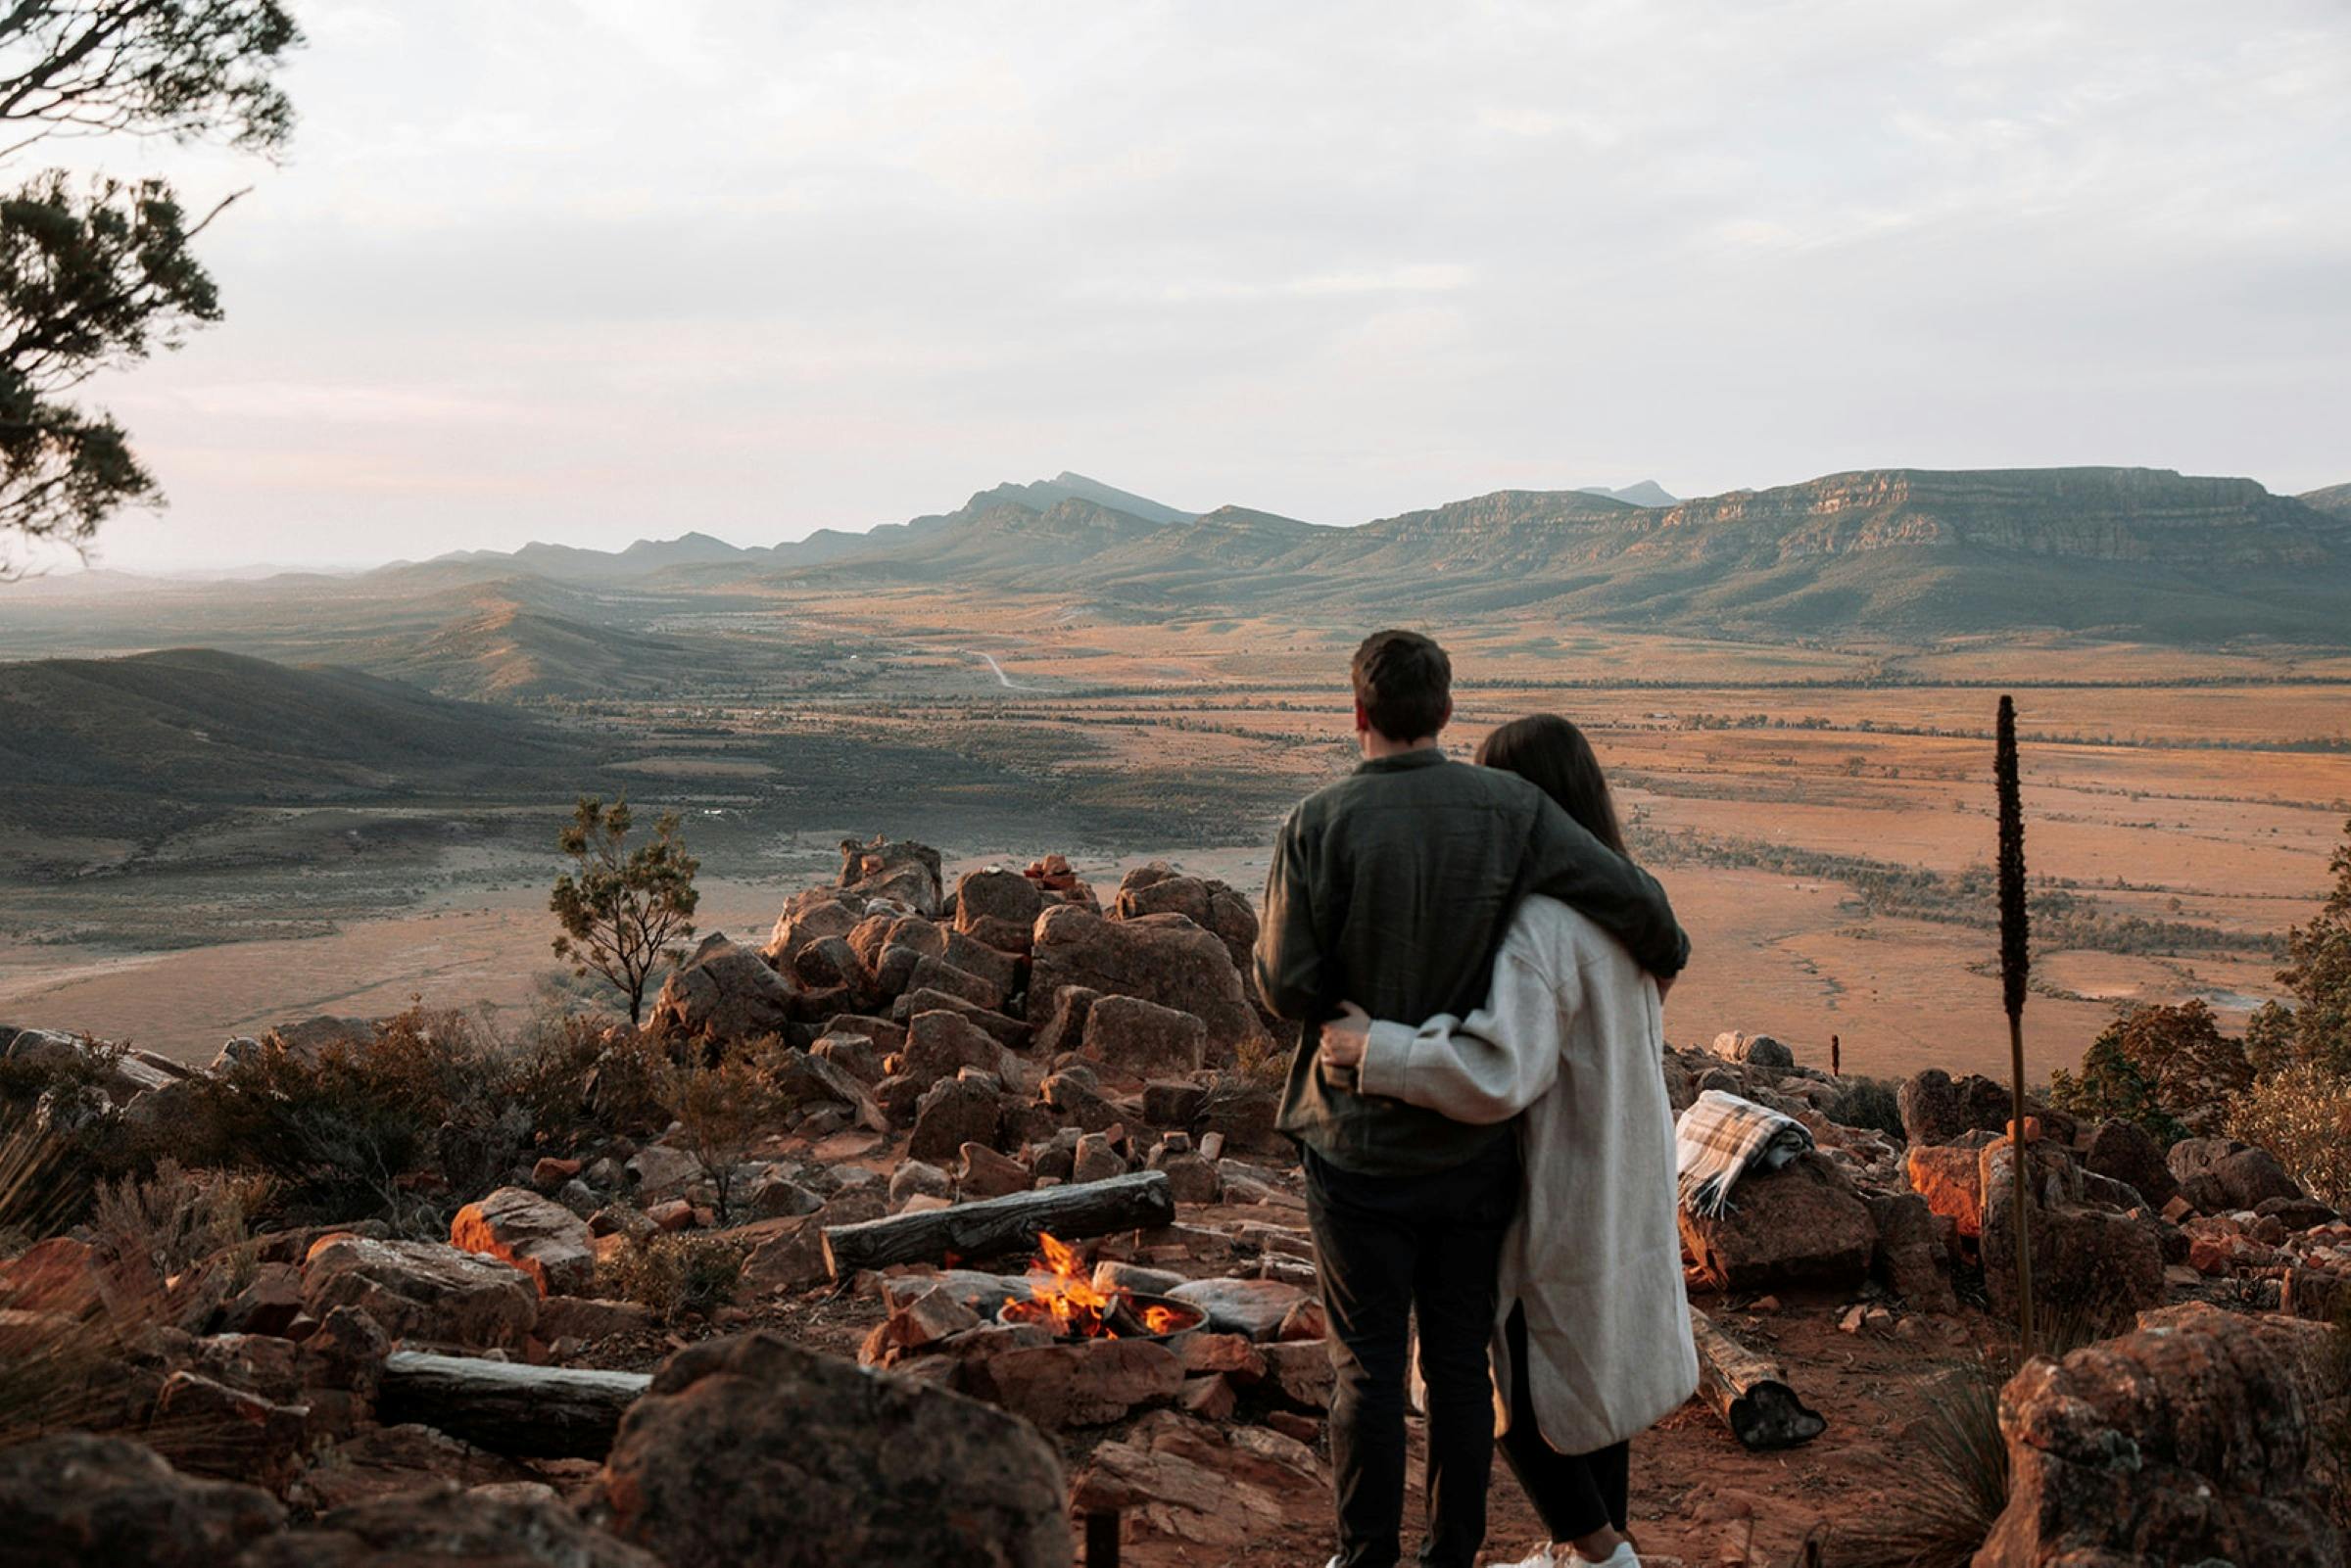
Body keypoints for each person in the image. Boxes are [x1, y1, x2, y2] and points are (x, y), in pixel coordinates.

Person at [1254, 634, 1689, 1568]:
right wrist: (1665, 942)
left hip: (1354, 1135)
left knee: (1365, 1366)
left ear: (1357, 713)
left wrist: (1345, 1013)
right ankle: (1454, 1553)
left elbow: (1285, 984)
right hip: (1469, 1159)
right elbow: (1635, 902)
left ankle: (1366, 1555)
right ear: (1447, 713)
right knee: (1459, 1367)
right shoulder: (1518, 814)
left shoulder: (1314, 821)